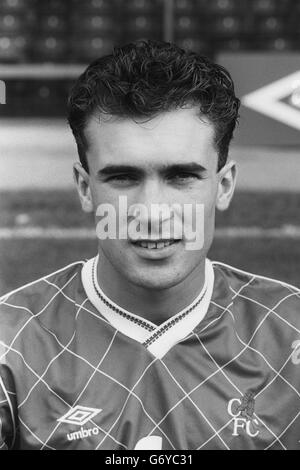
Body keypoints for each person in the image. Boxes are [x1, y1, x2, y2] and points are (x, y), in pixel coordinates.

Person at [0, 40, 299, 451]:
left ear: (224, 185)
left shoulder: (292, 338)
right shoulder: (10, 346)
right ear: (85, 188)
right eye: (122, 177)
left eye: (182, 176)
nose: (153, 212)